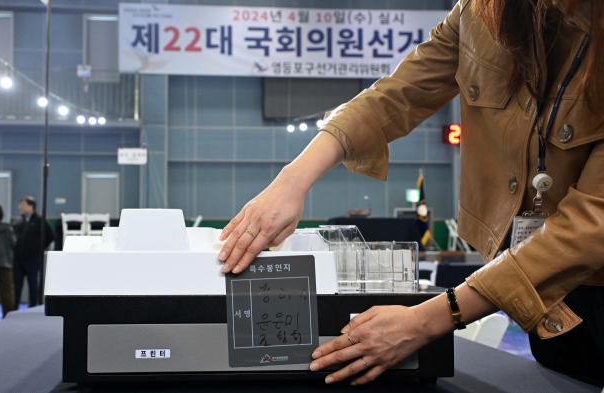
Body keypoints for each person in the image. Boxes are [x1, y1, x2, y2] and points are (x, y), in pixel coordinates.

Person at [217, 0, 604, 386]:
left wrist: (425, 320)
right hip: (543, 300)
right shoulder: (481, 13)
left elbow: (591, 225)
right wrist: (292, 180)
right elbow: (395, 94)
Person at [13, 196, 53, 308]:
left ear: (32, 206)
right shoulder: (19, 222)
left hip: (33, 259)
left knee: (33, 284)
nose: (20, 207)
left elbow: (50, 236)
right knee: (16, 285)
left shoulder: (40, 221)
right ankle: (14, 307)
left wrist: (39, 248)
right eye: (20, 205)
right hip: (18, 259)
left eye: (23, 205)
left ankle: (33, 307)